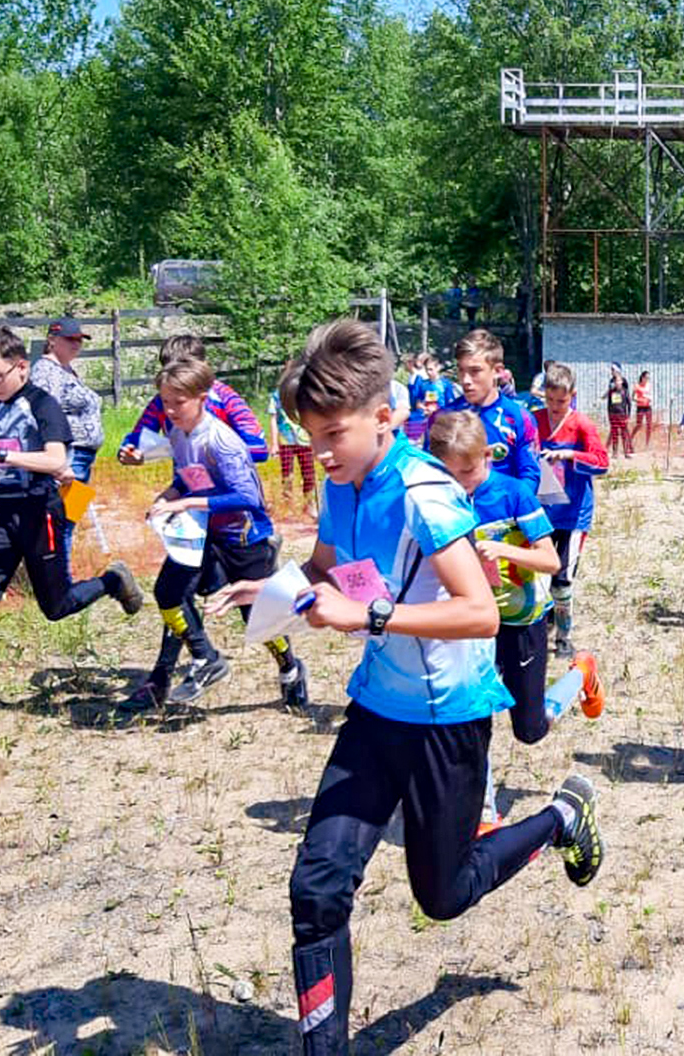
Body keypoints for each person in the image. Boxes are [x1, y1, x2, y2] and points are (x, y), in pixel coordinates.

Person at [207, 318, 605, 1056]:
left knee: (444, 895)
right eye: (310, 436)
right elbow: (326, 563)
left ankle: (559, 816)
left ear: (384, 415)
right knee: (316, 892)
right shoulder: (344, 484)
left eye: (333, 434)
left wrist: (368, 612)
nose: (319, 452)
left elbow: (481, 614)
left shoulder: (427, 493)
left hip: (447, 720)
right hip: (375, 712)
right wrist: (276, 587)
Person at [0, 327, 145, 735]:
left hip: (43, 513)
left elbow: (58, 461)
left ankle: (112, 580)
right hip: (4, 514)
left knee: (56, 607)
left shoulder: (43, 405)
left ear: (22, 367)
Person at [427, 411, 607, 830]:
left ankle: (580, 676)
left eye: (470, 470)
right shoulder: (444, 499)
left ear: (488, 455)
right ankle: (485, 813)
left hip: (521, 621)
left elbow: (551, 559)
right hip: (471, 622)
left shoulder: (513, 495)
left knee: (529, 730)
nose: (464, 482)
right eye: (454, 474)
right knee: (472, 715)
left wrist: (504, 552)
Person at [134, 357, 308, 709]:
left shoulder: (222, 441)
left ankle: (290, 669)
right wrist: (166, 498)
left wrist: (186, 505)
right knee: (168, 591)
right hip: (205, 537)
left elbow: (248, 498)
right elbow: (188, 476)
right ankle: (205, 658)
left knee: (257, 616)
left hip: (245, 537)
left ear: (202, 397)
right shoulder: (178, 433)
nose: (169, 410)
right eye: (164, 401)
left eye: (177, 402)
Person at [534, 363, 610, 658]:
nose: (554, 407)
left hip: (573, 514)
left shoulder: (581, 425)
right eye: (549, 400)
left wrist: (569, 455)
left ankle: (564, 636)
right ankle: (543, 624)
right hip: (541, 511)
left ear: (572, 396)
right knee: (538, 575)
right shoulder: (534, 420)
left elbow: (602, 462)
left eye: (561, 401)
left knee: (563, 578)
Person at [119, 335, 267, 466]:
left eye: (183, 373)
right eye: (170, 372)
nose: (176, 381)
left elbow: (259, 449)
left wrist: (211, 455)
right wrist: (134, 453)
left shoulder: (225, 397)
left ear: (203, 366)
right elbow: (137, 441)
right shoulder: (161, 401)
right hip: (188, 481)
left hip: (230, 484)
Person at [30, 318, 105, 562]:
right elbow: (43, 415)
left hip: (83, 456)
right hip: (68, 455)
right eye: (70, 339)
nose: (77, 344)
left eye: (80, 340)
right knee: (61, 520)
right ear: (52, 340)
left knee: (69, 518)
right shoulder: (45, 371)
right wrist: (58, 462)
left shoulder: (67, 370)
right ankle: (57, 577)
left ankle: (59, 573)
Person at [439, 329, 543, 492]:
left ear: (497, 371)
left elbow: (530, 475)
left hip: (502, 514)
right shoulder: (442, 418)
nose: (465, 380)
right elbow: (428, 472)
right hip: (455, 513)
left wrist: (511, 507)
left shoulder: (520, 418)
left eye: (475, 371)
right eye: (461, 370)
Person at [267, 387, 319, 513]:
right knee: (287, 475)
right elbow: (273, 420)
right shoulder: (276, 396)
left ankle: (309, 504)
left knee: (309, 474)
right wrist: (274, 443)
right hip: (286, 440)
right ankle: (287, 505)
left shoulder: (306, 391)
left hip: (305, 440)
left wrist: (316, 439)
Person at [604, 364, 634, 458]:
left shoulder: (624, 390)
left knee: (624, 433)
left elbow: (629, 402)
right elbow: (609, 402)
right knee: (614, 434)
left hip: (622, 414)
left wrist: (628, 414)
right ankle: (615, 452)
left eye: (618, 381)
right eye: (615, 382)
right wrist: (609, 413)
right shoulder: (611, 390)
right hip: (613, 414)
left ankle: (626, 451)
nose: (616, 383)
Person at [631, 370, 655, 450]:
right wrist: (639, 399)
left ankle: (647, 444)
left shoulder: (649, 386)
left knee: (649, 425)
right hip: (640, 407)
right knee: (639, 424)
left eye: (648, 378)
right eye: (646, 378)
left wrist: (648, 397)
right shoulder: (637, 386)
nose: (647, 379)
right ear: (642, 377)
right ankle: (631, 438)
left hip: (648, 407)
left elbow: (651, 396)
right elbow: (633, 397)